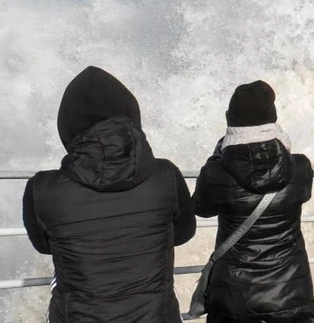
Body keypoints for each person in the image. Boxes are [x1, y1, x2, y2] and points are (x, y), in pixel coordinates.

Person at [22, 66, 196, 323]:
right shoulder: (165, 175)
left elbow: (44, 245)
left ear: (67, 126)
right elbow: (183, 233)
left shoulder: (42, 189)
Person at [192, 80, 314, 322]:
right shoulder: (300, 167)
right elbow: (303, 193)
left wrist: (217, 155)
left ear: (229, 120)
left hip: (234, 297)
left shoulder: (217, 172)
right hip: (289, 293)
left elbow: (201, 208)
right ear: (273, 119)